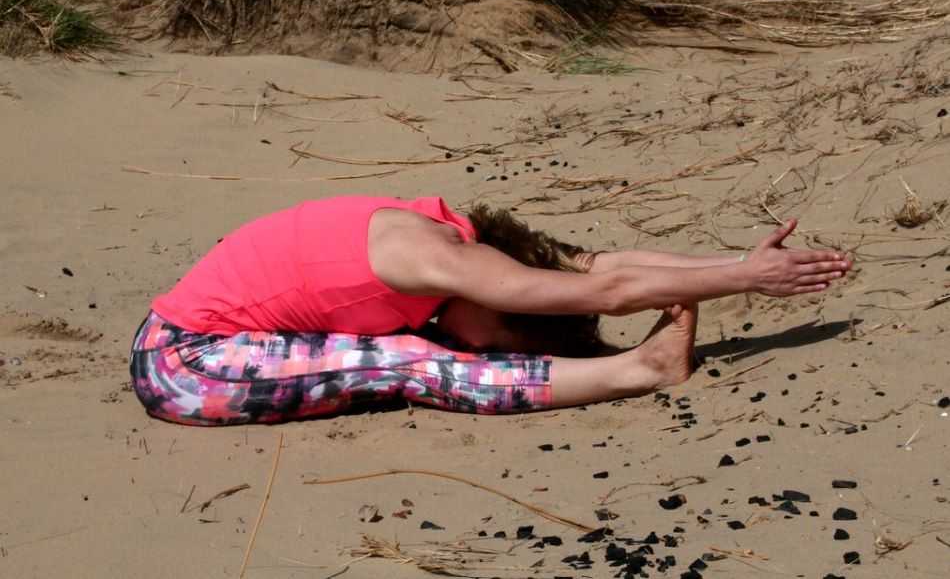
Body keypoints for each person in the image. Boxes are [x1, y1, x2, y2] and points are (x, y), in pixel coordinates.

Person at [130, 195, 852, 426]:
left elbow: (595, 269)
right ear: (496, 298)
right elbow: (602, 292)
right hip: (184, 365)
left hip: (224, 339)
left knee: (416, 351)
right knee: (419, 363)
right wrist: (748, 281)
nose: (470, 340)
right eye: (501, 340)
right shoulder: (445, 266)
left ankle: (643, 362)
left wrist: (735, 268)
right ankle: (642, 371)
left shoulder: (459, 245)